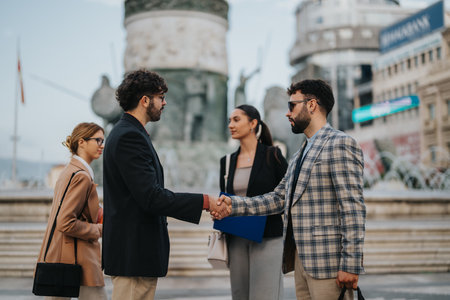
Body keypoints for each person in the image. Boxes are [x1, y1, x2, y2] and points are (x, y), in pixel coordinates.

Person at [218, 79, 366, 300]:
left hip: (329, 266)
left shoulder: (340, 143)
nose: (287, 114)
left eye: (292, 106)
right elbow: (278, 198)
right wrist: (234, 205)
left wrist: (351, 264)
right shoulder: (299, 154)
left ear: (312, 105)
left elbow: (352, 209)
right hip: (301, 263)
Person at [102, 69, 228, 300]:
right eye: (161, 97)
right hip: (133, 258)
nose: (165, 103)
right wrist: (205, 201)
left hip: (135, 257)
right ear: (145, 100)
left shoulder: (129, 133)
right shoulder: (129, 136)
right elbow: (151, 197)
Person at [220, 104, 288, 300]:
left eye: (236, 119)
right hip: (237, 238)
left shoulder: (273, 156)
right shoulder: (226, 162)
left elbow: (285, 195)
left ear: (253, 123)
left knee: (265, 295)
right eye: (229, 121)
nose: (231, 125)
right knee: (240, 295)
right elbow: (225, 199)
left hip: (268, 238)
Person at [36, 122, 106, 300]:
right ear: (81, 142)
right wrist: (99, 229)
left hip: (60, 256)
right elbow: (65, 221)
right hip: (79, 258)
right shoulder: (81, 176)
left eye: (103, 141)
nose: (102, 145)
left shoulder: (70, 171)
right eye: (98, 140)